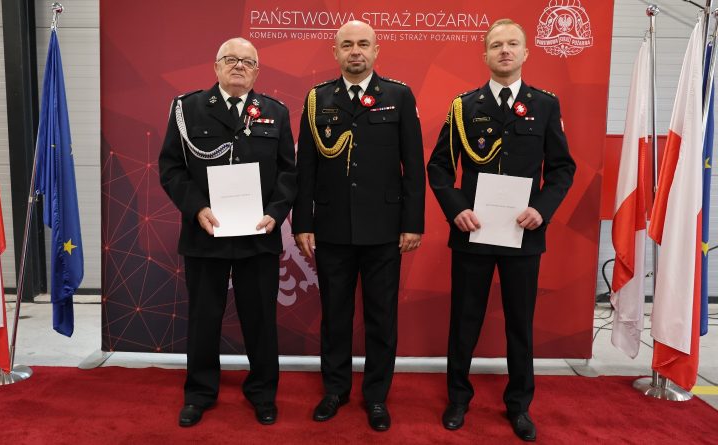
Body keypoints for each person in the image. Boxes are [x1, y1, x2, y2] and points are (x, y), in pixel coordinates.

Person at [426, 19, 576, 442]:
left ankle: (519, 405)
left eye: (512, 44)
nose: (504, 51)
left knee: (520, 324)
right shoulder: (463, 106)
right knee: (464, 321)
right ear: (485, 55)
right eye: (496, 45)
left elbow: (562, 168)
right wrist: (456, 208)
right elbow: (439, 166)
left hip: (523, 234)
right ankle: (458, 398)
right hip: (473, 232)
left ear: (526, 52)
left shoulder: (545, 105)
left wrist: (542, 210)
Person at [292, 20, 425, 432]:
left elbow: (413, 165)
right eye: (347, 44)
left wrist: (413, 223)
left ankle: (376, 396)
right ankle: (335, 390)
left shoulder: (398, 96)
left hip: (384, 229)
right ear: (335, 52)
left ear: (376, 50)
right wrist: (302, 222)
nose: (355, 51)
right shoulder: (318, 99)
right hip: (332, 228)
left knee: (381, 317)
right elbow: (306, 167)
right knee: (335, 315)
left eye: (363, 44)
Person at [158, 37, 297, 427]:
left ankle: (263, 393)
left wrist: (275, 213)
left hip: (258, 233)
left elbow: (289, 172)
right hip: (206, 231)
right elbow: (171, 167)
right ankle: (199, 393)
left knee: (261, 319)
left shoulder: (275, 112)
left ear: (257, 71)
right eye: (231, 59)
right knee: (204, 318)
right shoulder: (188, 109)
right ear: (216, 66)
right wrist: (196, 208)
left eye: (247, 62)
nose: (239, 66)